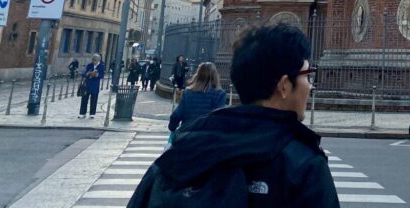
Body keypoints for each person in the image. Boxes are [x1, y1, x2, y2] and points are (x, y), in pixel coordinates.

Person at [128, 24, 338, 207]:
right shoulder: (304, 165)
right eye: (307, 75)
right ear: (284, 85)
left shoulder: (181, 152)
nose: (310, 86)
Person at [168, 61, 227, 136]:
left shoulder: (188, 92)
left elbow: (177, 114)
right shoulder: (220, 94)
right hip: (207, 138)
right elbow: (219, 119)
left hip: (187, 135)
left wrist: (172, 127)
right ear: (215, 76)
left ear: (198, 75)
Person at [79, 52, 106, 119]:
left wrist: (97, 75)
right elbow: (84, 74)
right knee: (84, 99)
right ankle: (82, 113)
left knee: (94, 99)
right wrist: (88, 73)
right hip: (87, 84)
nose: (94, 62)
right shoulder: (89, 65)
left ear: (98, 60)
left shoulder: (101, 66)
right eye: (93, 60)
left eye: (95, 61)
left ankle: (92, 113)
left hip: (95, 85)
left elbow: (102, 75)